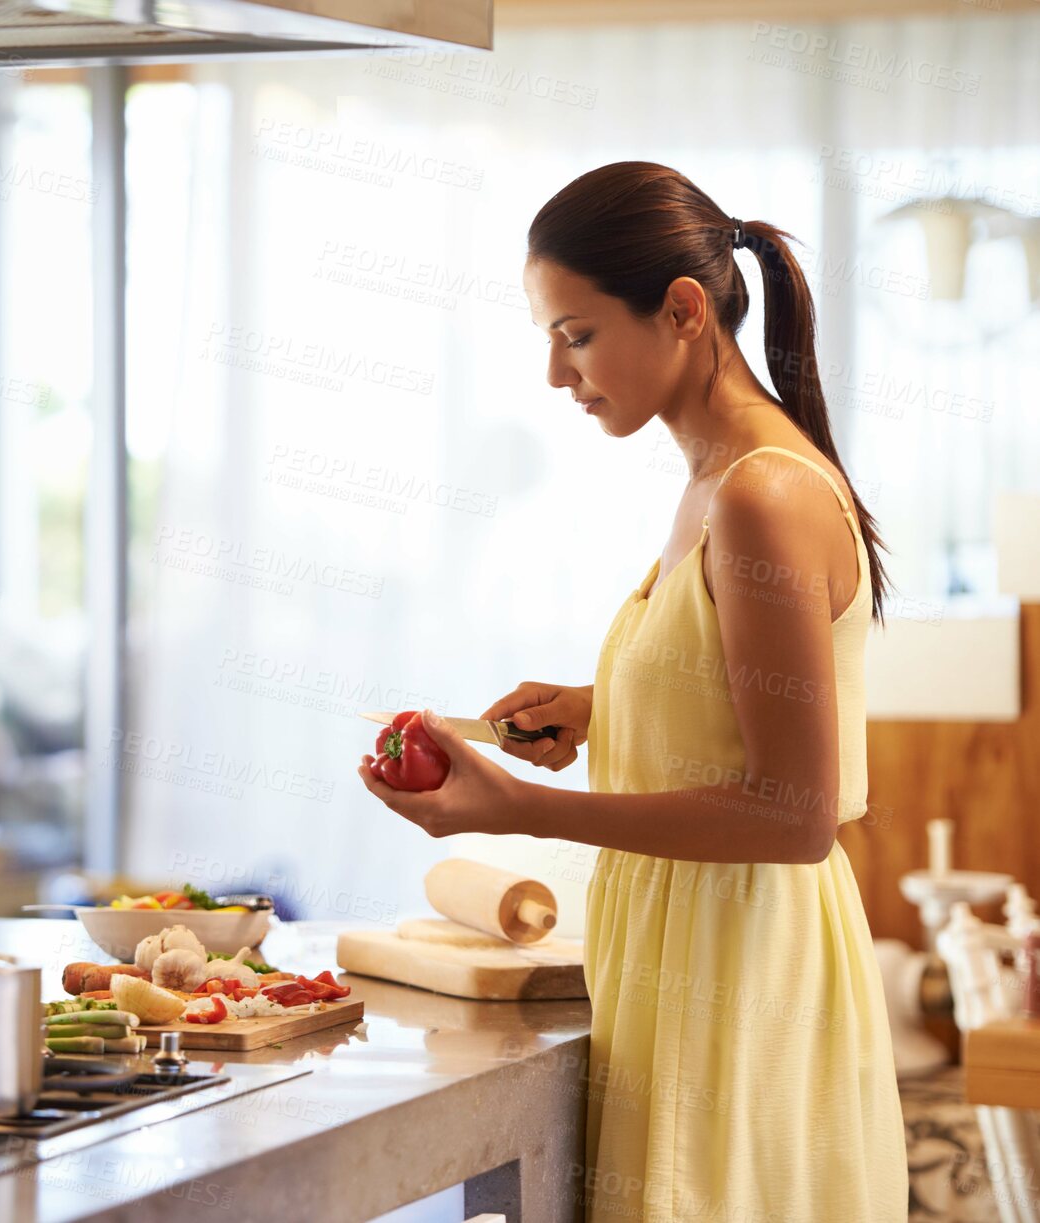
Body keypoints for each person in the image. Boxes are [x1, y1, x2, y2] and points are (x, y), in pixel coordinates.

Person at [358, 161, 909, 1221]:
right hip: (693, 958)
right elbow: (748, 705)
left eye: (575, 333)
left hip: (746, 973)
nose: (559, 375)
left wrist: (526, 809)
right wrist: (604, 703)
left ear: (684, 311)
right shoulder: (716, 481)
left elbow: (795, 814)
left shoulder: (760, 494)